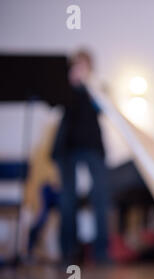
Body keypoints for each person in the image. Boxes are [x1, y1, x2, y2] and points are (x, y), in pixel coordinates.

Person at [52, 50, 110, 264]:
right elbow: (55, 104)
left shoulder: (97, 89)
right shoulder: (66, 89)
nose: (80, 70)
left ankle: (102, 253)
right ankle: (68, 253)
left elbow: (103, 107)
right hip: (67, 148)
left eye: (84, 66)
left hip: (93, 147)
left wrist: (89, 85)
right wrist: (70, 85)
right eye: (77, 66)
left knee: (101, 198)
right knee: (68, 199)